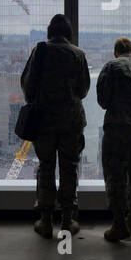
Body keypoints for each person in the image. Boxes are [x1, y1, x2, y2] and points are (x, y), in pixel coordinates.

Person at [21, 14, 90, 239]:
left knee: (46, 167)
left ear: (49, 31)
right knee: (69, 167)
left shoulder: (39, 51)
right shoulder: (78, 55)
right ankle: (67, 220)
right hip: (71, 121)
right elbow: (83, 90)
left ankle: (46, 220)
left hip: (44, 121)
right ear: (69, 32)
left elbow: (28, 85)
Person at [96, 36, 131, 242]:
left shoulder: (110, 67)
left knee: (115, 175)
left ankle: (119, 223)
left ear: (115, 52)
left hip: (117, 128)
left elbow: (102, 100)